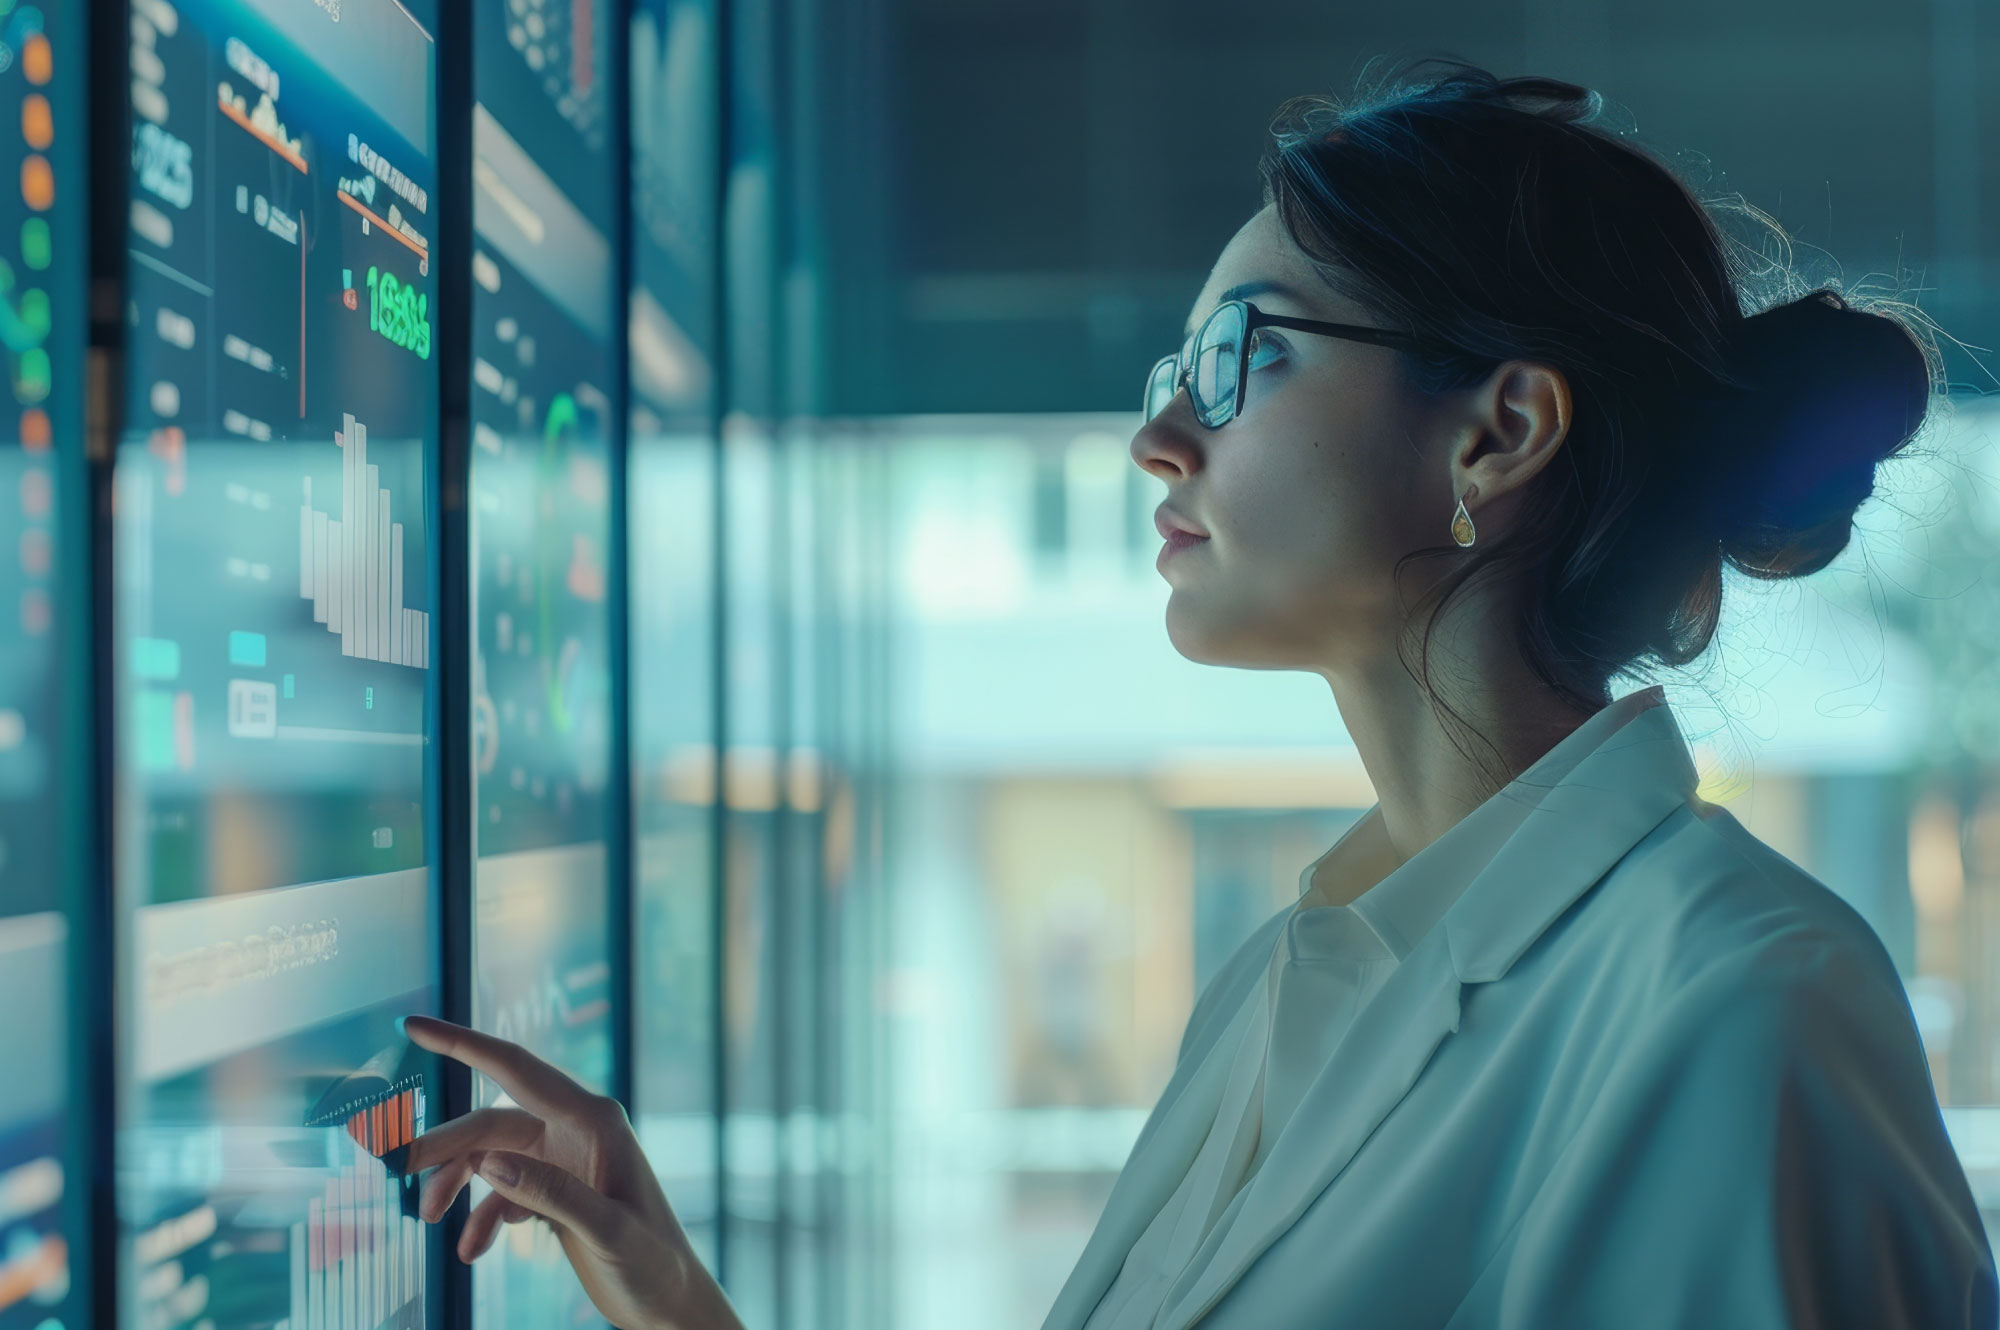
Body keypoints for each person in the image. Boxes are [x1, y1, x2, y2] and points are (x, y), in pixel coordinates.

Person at [405, 56, 1999, 1329]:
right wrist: (673, 1296)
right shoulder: (1284, 982)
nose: (1159, 440)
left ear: (1499, 433)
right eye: (1173, 376)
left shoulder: (1749, 1001)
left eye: (1240, 358)